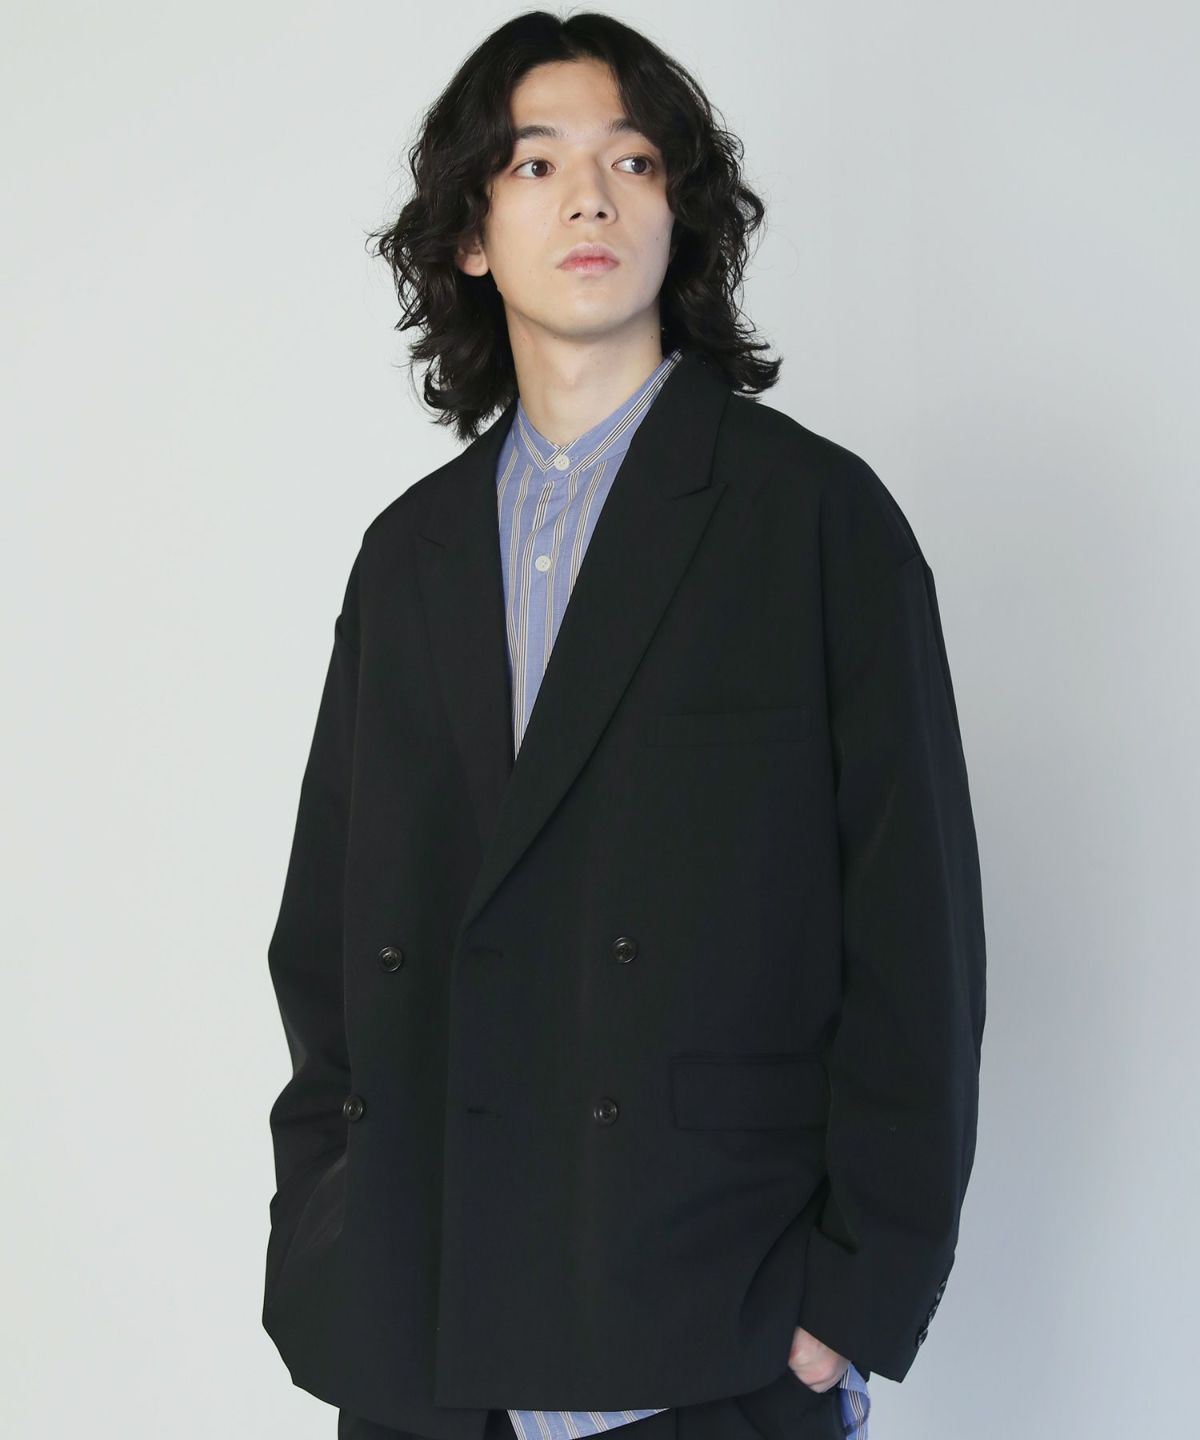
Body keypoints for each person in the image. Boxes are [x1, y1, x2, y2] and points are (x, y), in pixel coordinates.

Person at [261, 12, 986, 1440]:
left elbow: (918, 936)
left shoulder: (813, 518)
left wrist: (854, 1297)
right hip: (431, 1319)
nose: (588, 197)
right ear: (471, 236)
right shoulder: (408, 555)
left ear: (679, 215)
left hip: (712, 1318)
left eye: (633, 160)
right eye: (534, 164)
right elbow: (328, 936)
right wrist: (328, 1221)